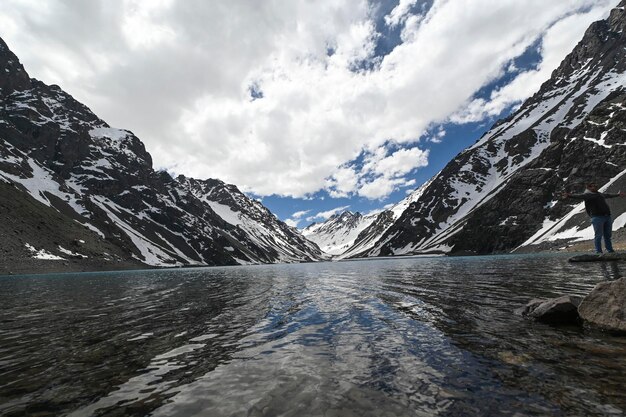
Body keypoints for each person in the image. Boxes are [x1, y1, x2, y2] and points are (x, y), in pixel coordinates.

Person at [562, 182, 625, 254]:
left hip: (607, 216)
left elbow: (608, 195)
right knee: (598, 235)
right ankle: (598, 252)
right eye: (593, 186)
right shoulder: (587, 195)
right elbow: (579, 196)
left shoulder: (599, 194)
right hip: (597, 217)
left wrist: (618, 195)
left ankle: (610, 251)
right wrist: (569, 196)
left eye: (596, 185)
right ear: (589, 188)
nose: (596, 187)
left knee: (607, 235)